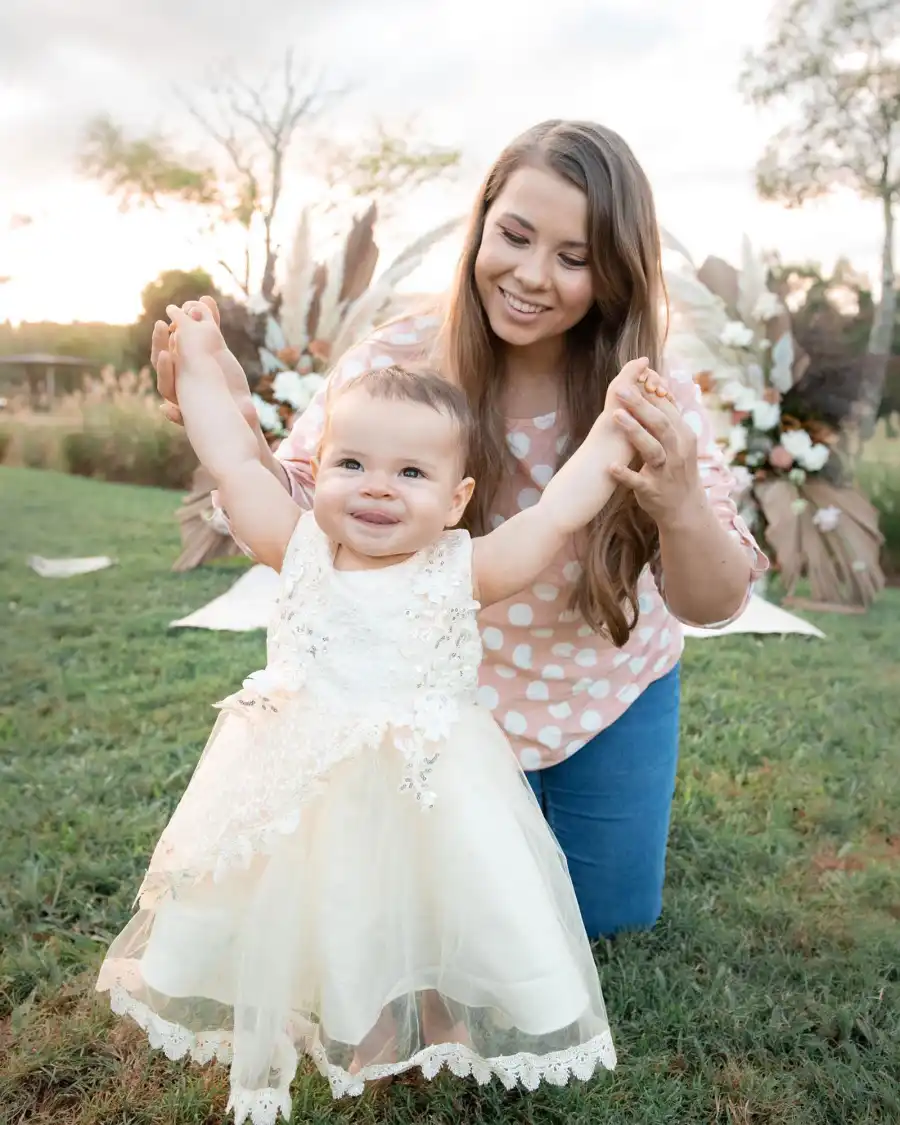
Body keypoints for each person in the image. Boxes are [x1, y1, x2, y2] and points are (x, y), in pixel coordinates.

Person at [152, 119, 768, 940]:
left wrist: (681, 498)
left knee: (608, 917)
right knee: (451, 924)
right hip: (432, 699)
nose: (531, 275)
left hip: (602, 690)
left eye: (573, 257)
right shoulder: (397, 360)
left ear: (615, 270)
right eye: (513, 236)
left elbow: (713, 600)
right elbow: (305, 506)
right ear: (482, 223)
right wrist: (222, 419)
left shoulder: (647, 397)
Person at [98, 299, 677, 1122]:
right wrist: (197, 360)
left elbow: (556, 513)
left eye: (411, 473)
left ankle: (424, 1006)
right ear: (321, 468)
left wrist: (617, 429)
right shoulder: (295, 547)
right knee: (320, 899)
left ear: (456, 498)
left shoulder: (458, 568)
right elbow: (231, 460)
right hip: (302, 781)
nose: (376, 487)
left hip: (424, 790)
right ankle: (338, 1014)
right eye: (352, 464)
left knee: (431, 899)